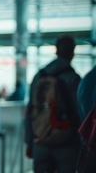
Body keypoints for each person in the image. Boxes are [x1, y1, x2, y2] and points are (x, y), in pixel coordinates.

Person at [25, 34, 81, 173]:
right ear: (73, 52)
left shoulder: (39, 75)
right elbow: (79, 111)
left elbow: (30, 110)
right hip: (66, 142)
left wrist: (29, 142)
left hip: (41, 140)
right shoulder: (73, 78)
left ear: (56, 50)